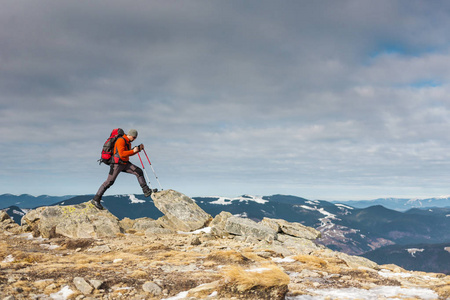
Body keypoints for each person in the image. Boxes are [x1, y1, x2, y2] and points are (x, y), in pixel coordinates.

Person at [91, 129, 153, 210]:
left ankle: (146, 191)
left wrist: (138, 149)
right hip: (116, 164)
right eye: (134, 137)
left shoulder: (128, 142)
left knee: (138, 171)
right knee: (109, 182)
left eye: (135, 138)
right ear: (129, 135)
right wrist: (133, 150)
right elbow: (121, 154)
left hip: (125, 163)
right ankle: (96, 199)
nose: (134, 139)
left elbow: (128, 153)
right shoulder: (121, 140)